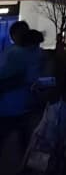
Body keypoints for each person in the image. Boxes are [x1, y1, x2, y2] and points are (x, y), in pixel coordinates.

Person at [0, 20, 35, 161]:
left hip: (18, 108)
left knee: (26, 145)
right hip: (11, 108)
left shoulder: (11, 52)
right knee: (26, 146)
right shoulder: (14, 53)